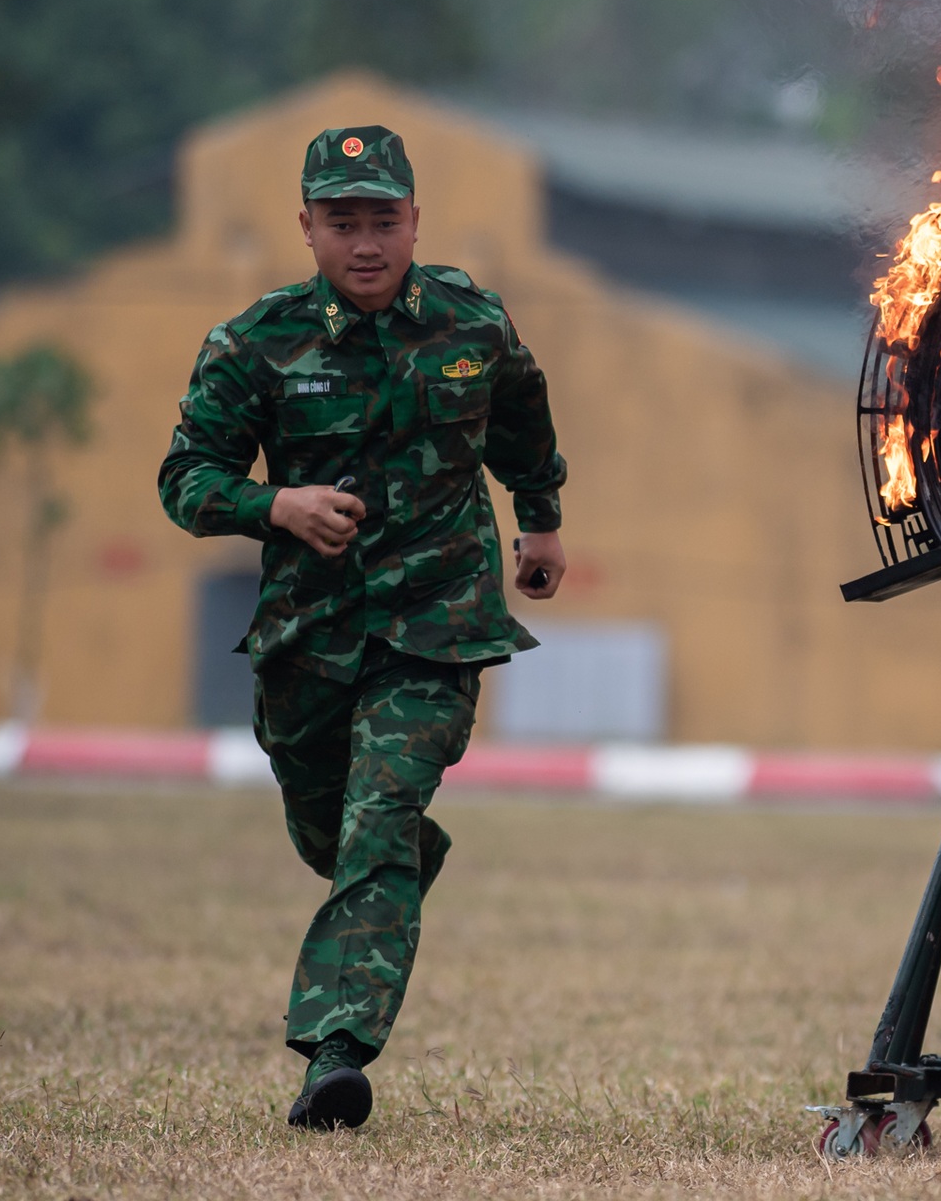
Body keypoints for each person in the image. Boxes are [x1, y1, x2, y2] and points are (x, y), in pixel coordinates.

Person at [157, 126, 568, 1130]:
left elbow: (520, 410)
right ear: (308, 229)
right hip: (310, 634)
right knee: (328, 826)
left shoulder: (472, 317)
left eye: (384, 219)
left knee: (377, 818)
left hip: (440, 624)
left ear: (414, 221)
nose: (367, 242)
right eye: (343, 222)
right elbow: (185, 481)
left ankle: (335, 1053)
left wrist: (541, 519)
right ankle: (391, 870)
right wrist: (275, 506)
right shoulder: (254, 341)